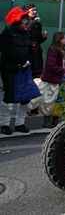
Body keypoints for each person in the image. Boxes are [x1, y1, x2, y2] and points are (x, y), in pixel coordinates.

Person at [0, 7, 33, 135]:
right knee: (9, 98)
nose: (27, 22)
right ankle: (5, 124)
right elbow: (7, 52)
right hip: (10, 69)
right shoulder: (7, 33)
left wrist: (29, 63)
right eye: (24, 20)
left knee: (25, 98)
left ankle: (20, 123)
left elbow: (30, 50)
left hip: (25, 69)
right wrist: (19, 63)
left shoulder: (26, 33)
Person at [38, 32, 65, 128]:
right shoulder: (53, 49)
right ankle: (47, 121)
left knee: (60, 99)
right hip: (53, 78)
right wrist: (62, 70)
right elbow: (50, 65)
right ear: (59, 39)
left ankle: (55, 119)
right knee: (49, 100)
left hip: (63, 76)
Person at [24, 4, 47, 78]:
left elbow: (38, 40)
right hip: (27, 51)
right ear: (27, 11)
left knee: (37, 72)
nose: (35, 11)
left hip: (36, 52)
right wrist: (33, 22)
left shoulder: (38, 23)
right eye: (32, 10)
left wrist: (44, 37)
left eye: (35, 10)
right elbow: (25, 32)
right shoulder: (24, 21)